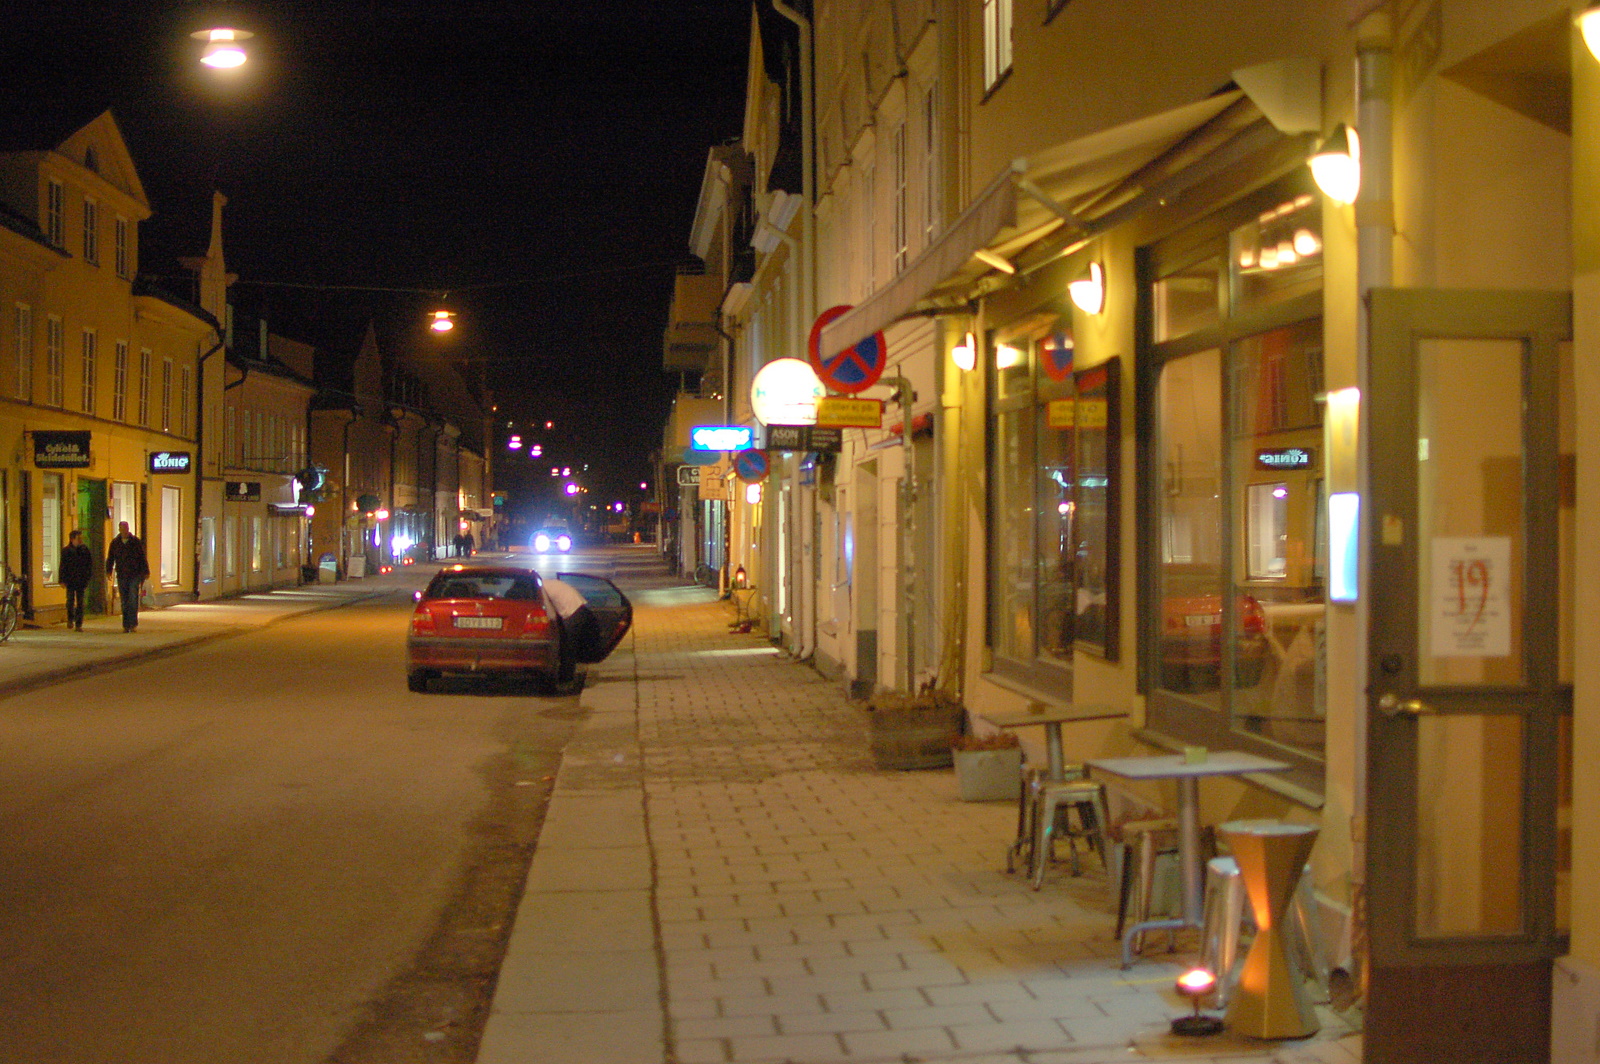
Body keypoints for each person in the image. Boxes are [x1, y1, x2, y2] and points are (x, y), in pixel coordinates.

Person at [106, 521, 150, 633]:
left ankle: (133, 623)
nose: (124, 531)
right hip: (122, 574)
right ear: (119, 530)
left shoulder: (135, 542)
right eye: (122, 529)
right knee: (124, 600)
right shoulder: (115, 543)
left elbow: (142, 557)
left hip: (134, 574)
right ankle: (126, 625)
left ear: (128, 529)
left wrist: (145, 571)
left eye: (125, 528)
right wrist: (109, 570)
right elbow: (110, 558)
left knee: (133, 598)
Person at [59, 530, 93, 631]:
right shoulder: (66, 551)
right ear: (72, 539)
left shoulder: (84, 550)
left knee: (80, 602)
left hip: (81, 580)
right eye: (79, 538)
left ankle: (78, 624)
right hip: (70, 580)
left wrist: (87, 578)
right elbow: (63, 566)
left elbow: (89, 565)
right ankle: (70, 619)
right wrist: (62, 580)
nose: (81, 540)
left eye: (81, 538)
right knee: (70, 601)